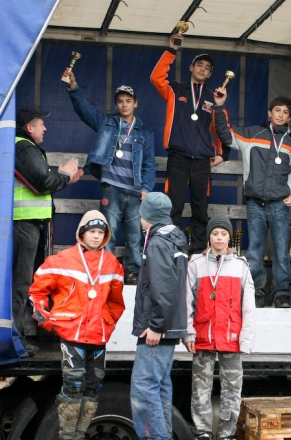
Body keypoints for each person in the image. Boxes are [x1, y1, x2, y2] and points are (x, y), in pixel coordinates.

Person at [28, 210, 125, 440]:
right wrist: (47, 321)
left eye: (100, 232)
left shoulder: (112, 263)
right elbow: (36, 293)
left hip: (98, 336)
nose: (96, 236)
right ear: (81, 233)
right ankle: (67, 436)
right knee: (73, 386)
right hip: (72, 335)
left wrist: (108, 324)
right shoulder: (61, 259)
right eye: (92, 231)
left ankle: (80, 435)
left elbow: (116, 302)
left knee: (93, 387)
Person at [213, 94, 291, 308]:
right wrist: (220, 107)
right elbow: (226, 134)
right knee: (255, 250)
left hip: (280, 204)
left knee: (281, 252)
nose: (280, 115)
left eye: (285, 112)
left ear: (289, 117)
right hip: (255, 203)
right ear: (269, 113)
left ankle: (282, 294)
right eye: (277, 111)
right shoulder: (252, 134)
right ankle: (256, 292)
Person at [63, 68, 156, 285]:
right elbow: (84, 111)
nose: (124, 105)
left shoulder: (145, 133)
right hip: (111, 188)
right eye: (120, 101)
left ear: (136, 103)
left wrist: (146, 188)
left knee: (134, 235)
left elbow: (149, 164)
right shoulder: (106, 123)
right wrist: (73, 87)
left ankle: (133, 273)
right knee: (109, 232)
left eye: (128, 101)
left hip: (135, 191)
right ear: (116, 104)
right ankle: (109, 272)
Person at [150, 35, 230, 255]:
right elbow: (156, 78)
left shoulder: (214, 97)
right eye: (199, 65)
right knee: (173, 206)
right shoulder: (175, 89)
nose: (203, 69)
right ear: (191, 67)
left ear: (210, 74)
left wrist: (223, 153)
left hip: (202, 161)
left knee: (200, 209)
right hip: (178, 157)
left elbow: (222, 126)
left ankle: (198, 251)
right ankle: (172, 248)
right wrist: (171, 51)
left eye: (207, 68)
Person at [14, 106, 83, 357]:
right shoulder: (24, 147)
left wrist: (63, 178)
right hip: (23, 224)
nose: (45, 127)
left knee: (23, 283)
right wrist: (64, 174)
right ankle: (13, 342)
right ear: (29, 127)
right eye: (41, 123)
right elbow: (43, 183)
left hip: (28, 224)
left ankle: (16, 338)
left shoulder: (25, 148)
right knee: (19, 285)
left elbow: (42, 181)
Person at [184, 216, 256, 440]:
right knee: (200, 387)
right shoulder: (196, 264)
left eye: (224, 234)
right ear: (209, 236)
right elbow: (187, 301)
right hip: (203, 336)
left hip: (231, 337)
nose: (219, 238)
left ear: (229, 237)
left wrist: (246, 339)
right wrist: (188, 333)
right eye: (215, 233)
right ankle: (202, 431)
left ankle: (227, 433)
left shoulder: (240, 266)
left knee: (232, 388)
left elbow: (249, 306)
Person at [130, 192, 188, 440]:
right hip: (168, 327)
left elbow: (163, 289)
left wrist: (155, 326)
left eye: (142, 214)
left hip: (156, 329)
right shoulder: (174, 239)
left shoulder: (157, 243)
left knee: (143, 391)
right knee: (160, 387)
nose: (139, 218)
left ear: (149, 216)